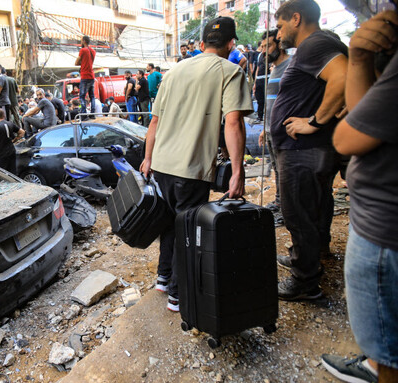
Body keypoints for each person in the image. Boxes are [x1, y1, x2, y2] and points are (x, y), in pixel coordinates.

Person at [139, 17, 251, 312]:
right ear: (231, 44)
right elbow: (233, 122)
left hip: (162, 163)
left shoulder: (173, 72)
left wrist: (148, 158)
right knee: (187, 230)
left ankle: (163, 278)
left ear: (201, 45)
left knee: (169, 224)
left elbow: (154, 121)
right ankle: (177, 294)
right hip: (191, 168)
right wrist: (237, 172)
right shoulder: (231, 71)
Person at [317, 8, 398, 383]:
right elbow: (362, 110)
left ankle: (380, 366)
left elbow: (346, 136)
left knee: (387, 349)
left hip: (384, 233)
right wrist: (362, 58)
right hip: (381, 225)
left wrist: (316, 122)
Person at [272, 0, 348, 300]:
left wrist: (314, 122)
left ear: (296, 18)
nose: (278, 35)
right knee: (316, 206)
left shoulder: (314, 44)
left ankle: (305, 281)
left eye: (279, 27)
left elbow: (342, 78)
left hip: (302, 148)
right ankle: (313, 255)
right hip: (309, 148)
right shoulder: (324, 44)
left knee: (297, 213)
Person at [257, 29, 290, 226]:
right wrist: (265, 128)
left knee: (285, 173)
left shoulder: (290, 66)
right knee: (277, 170)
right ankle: (280, 204)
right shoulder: (274, 69)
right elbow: (271, 103)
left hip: (284, 132)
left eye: (267, 46)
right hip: (271, 130)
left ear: (279, 45)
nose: (263, 51)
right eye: (262, 47)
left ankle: (287, 211)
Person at [0, 108, 24, 173]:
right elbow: (22, 132)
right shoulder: (10, 124)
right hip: (11, 151)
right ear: (4, 116)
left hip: (1, 154)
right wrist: (15, 139)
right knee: (12, 172)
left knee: (2, 174)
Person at [75, 35, 96, 118]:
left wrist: (82, 63)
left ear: (84, 41)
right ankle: (93, 113)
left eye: (81, 40)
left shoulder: (82, 50)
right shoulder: (93, 51)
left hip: (85, 76)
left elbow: (76, 62)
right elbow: (91, 63)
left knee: (82, 96)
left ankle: (84, 114)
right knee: (92, 96)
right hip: (92, 76)